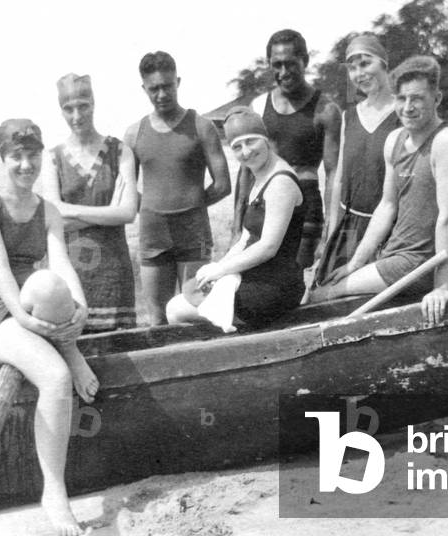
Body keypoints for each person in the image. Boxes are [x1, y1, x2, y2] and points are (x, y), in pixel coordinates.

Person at [0, 119, 98, 536]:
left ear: (41, 154)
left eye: (32, 155)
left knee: (50, 283)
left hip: (32, 306)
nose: (25, 164)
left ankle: (69, 345)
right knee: (55, 378)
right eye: (15, 157)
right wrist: (21, 319)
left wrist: (81, 308)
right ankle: (53, 492)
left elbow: (60, 261)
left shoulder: (48, 210)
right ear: (3, 159)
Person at [309, 56, 448, 326]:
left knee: (321, 297)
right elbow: (386, 207)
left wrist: (442, 287)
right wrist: (355, 264)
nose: (408, 108)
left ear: (437, 98)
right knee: (332, 283)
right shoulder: (394, 140)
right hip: (392, 258)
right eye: (401, 98)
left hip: (419, 264)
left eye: (417, 98)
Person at [166, 107, 305, 330]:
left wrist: (221, 271)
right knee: (195, 288)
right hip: (257, 277)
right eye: (237, 147)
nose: (246, 152)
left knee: (175, 309)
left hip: (275, 287)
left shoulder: (280, 183)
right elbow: (247, 236)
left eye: (251, 141)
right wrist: (219, 267)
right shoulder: (260, 176)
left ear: (265, 139)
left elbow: (268, 246)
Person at [122, 52, 232, 326]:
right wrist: (150, 209)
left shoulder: (201, 126)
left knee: (193, 312)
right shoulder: (134, 133)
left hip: (192, 234)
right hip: (153, 235)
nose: (161, 94)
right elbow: (126, 187)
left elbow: (223, 185)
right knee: (156, 317)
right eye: (154, 88)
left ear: (178, 82)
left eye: (167, 86)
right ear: (144, 88)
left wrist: (191, 206)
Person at [41, 73, 137, 331]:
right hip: (70, 270)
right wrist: (108, 213)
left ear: (93, 103)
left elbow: (128, 212)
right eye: (68, 108)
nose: (76, 115)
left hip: (114, 272)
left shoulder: (120, 152)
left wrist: (68, 211)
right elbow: (52, 215)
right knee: (74, 343)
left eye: (83, 105)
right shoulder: (52, 158)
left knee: (120, 354)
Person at [247, 29, 341, 268]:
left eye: (290, 64)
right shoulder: (259, 107)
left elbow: (333, 175)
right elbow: (246, 170)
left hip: (305, 205)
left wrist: (330, 229)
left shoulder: (326, 110)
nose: (284, 72)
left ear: (305, 61)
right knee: (259, 280)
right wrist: (238, 224)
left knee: (296, 282)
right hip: (264, 202)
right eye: (276, 65)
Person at [313, 34, 399, 285]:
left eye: (365, 63)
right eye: (352, 67)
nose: (359, 73)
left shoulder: (403, 113)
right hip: (349, 228)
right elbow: (339, 180)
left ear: (384, 63)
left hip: (388, 228)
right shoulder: (348, 116)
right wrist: (331, 234)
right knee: (328, 291)